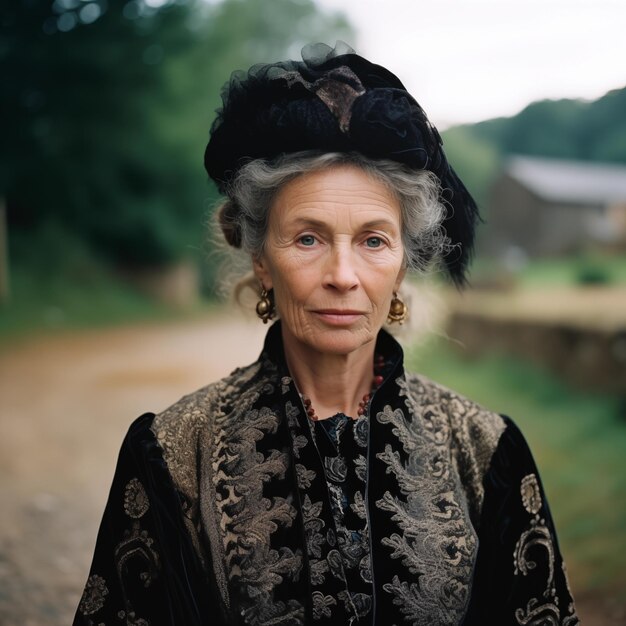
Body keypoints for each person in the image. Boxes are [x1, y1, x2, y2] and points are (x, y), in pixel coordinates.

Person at [73, 43, 578, 626]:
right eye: (308, 238)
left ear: (402, 264)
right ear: (262, 259)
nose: (342, 276)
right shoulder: (174, 453)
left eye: (373, 240)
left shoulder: (485, 451)